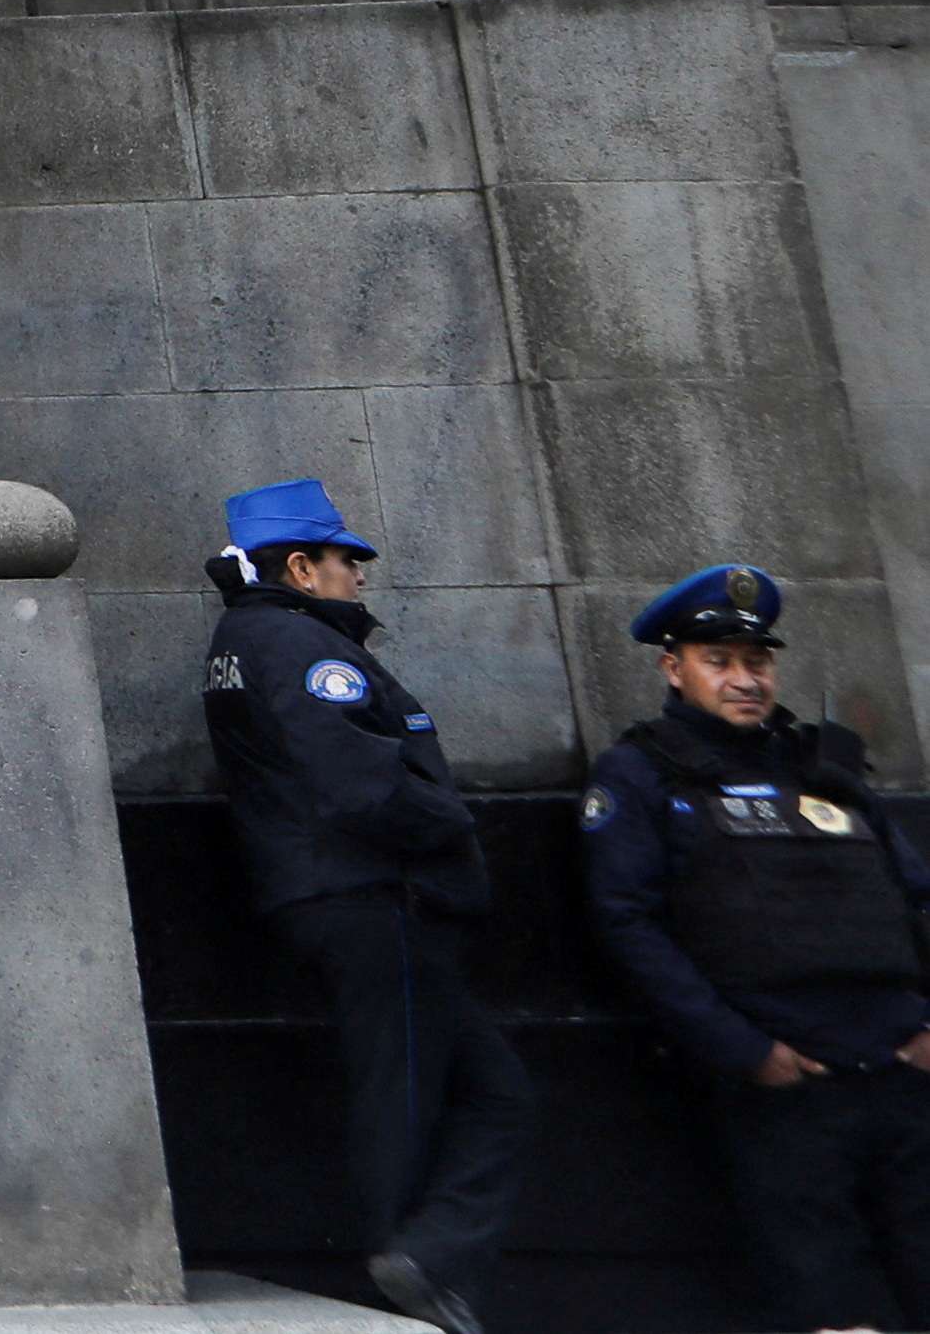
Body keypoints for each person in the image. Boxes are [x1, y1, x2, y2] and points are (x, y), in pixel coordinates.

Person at [205, 476, 528, 1334]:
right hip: (368, 895)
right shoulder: (300, 647)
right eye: (349, 561)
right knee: (408, 1092)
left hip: (340, 894)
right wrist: (454, 820)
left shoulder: (256, 637)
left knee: (489, 1090)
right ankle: (407, 1267)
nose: (360, 577)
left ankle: (426, 1256)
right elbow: (360, 781)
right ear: (303, 567)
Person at [580, 564, 930, 1330]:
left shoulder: (826, 767)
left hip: (902, 1073)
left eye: (758, 660)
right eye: (720, 660)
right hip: (785, 1086)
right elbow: (628, 924)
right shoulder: (642, 774)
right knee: (829, 1304)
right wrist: (743, 1050)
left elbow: (916, 895)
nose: (745, 678)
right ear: (674, 668)